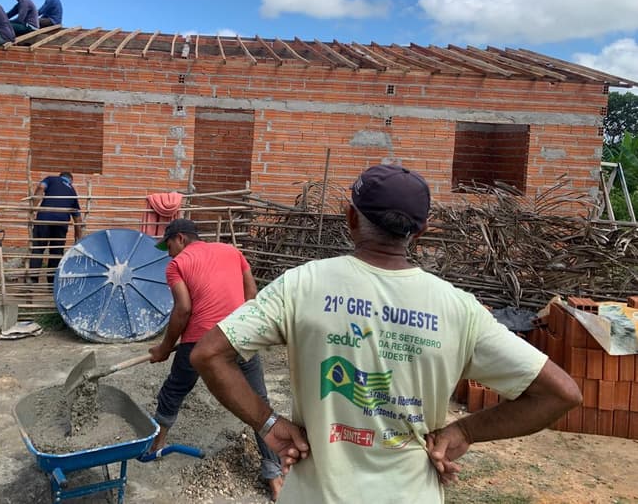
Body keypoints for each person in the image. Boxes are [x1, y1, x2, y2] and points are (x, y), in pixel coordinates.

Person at [191, 164, 582, 503]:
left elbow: (208, 354)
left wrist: (268, 424)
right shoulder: (458, 309)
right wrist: (465, 430)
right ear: (421, 231)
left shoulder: (302, 286)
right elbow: (561, 393)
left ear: (351, 218)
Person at [148, 218, 285, 501]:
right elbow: (251, 295)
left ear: (181, 238)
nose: (169, 253)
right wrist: (239, 327)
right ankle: (274, 475)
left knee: (174, 390)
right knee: (258, 402)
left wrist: (164, 348)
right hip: (240, 335)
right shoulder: (232, 251)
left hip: (199, 341)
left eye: (169, 245)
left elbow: (183, 310)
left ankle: (155, 446)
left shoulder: (177, 265)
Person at [29, 172, 82, 283]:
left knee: (38, 249)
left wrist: (33, 208)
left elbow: (41, 187)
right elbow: (77, 218)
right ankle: (52, 284)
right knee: (56, 252)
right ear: (70, 180)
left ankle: (32, 281)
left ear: (60, 176)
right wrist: (78, 238)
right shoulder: (72, 191)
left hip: (44, 219)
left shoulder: (51, 179)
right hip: (61, 223)